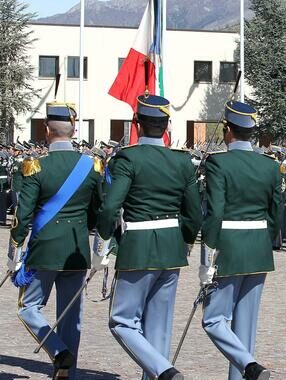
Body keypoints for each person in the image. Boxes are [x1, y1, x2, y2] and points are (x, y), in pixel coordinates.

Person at [97, 94, 202, 380]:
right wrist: (185, 241)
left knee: (121, 321)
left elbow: (110, 207)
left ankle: (164, 371)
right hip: (171, 248)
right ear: (167, 126)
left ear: (137, 125)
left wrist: (102, 243)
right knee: (159, 327)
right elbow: (194, 214)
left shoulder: (128, 158)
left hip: (138, 247)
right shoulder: (182, 162)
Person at [9, 102, 103, 380]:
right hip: (76, 249)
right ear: (73, 131)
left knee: (28, 308)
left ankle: (58, 351)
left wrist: (13, 254)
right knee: (71, 316)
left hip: (45, 248)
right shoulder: (92, 165)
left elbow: (22, 215)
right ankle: (67, 373)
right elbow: (98, 211)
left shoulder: (36, 166)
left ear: (47, 131)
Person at [199, 101, 282, 380]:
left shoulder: (219, 163)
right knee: (245, 327)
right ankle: (247, 371)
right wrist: (262, 240)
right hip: (258, 248)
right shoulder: (269, 165)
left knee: (213, 320)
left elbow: (215, 213)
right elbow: (275, 213)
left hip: (229, 249)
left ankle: (250, 365)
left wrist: (208, 256)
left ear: (227, 130)